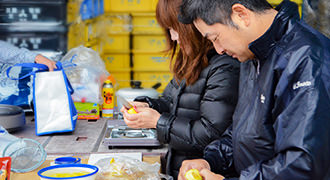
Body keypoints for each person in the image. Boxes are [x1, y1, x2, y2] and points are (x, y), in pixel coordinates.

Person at [178, 0, 330, 179]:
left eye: (215, 38)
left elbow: (303, 163)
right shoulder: (252, 54)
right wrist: (210, 160)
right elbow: (244, 132)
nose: (218, 50)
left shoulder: (307, 59)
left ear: (241, 14)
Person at [120, 0, 240, 178]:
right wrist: (147, 106)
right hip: (179, 167)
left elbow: (210, 134)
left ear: (193, 25)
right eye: (169, 30)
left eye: (174, 28)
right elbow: (170, 102)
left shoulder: (224, 67)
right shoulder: (192, 61)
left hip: (203, 172)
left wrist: (158, 122)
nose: (173, 37)